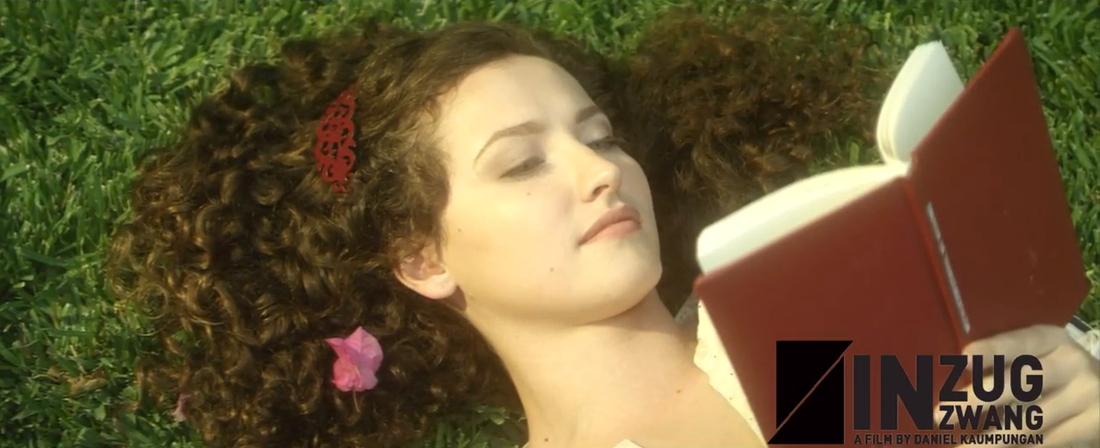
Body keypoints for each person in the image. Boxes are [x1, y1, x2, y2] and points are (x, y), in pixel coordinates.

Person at [106, 7, 1100, 448]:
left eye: (599, 134)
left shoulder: (803, 355)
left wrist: (1069, 399)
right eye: (521, 162)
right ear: (421, 256)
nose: (600, 170)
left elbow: (1023, 410)